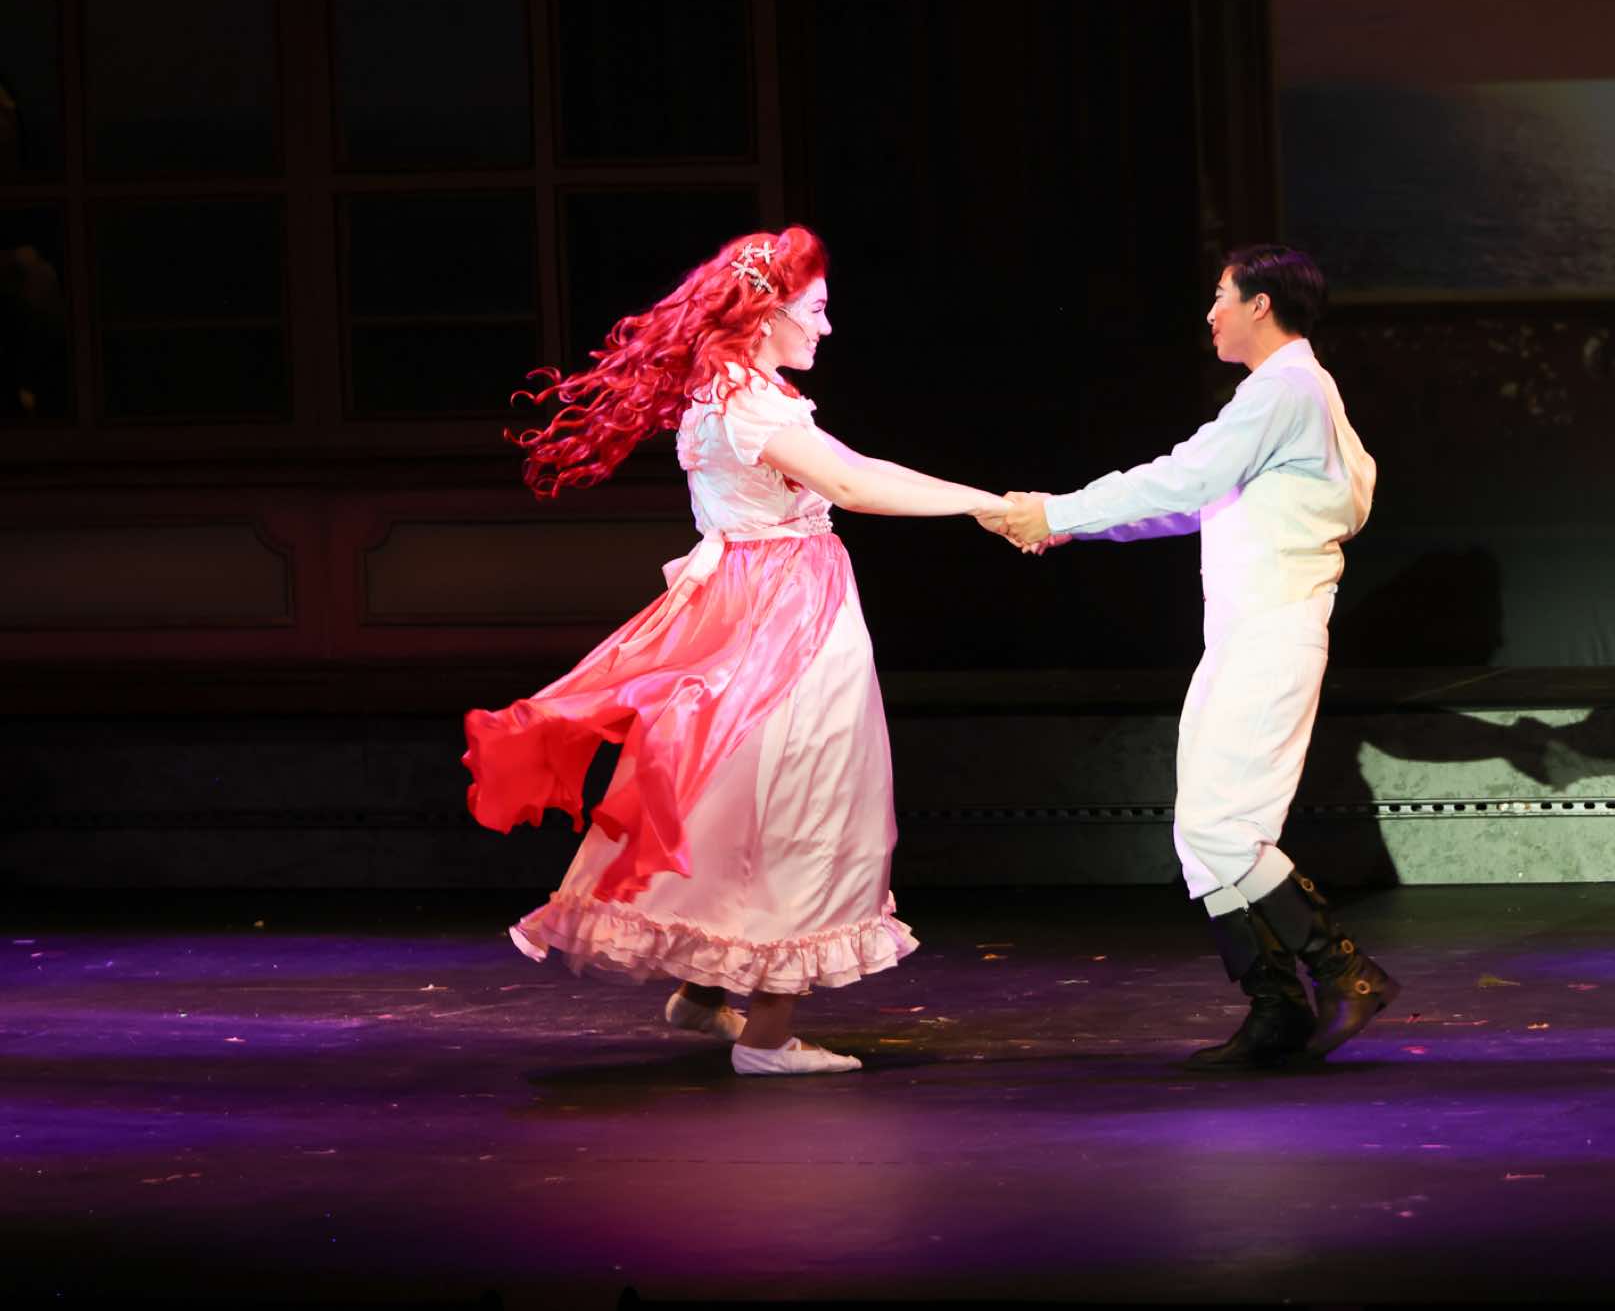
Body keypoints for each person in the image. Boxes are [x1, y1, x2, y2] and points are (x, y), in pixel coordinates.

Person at [465, 227, 1011, 1076]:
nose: (825, 327)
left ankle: (705, 991)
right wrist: (989, 506)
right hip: (787, 616)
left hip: (754, 606)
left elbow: (852, 465)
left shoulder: (729, 393)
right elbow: (854, 484)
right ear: (765, 316)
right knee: (805, 803)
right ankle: (767, 1038)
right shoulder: (752, 405)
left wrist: (981, 500)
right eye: (814, 311)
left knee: (733, 798)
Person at [986, 245, 1399, 1069]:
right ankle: (1277, 1009)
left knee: (1222, 826)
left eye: (1220, 296)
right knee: (1199, 834)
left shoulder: (1285, 388)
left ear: (1260, 303)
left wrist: (1057, 510)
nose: (1210, 313)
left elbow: (1181, 478)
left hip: (1274, 628)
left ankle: (1344, 970)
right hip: (1246, 632)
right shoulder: (1286, 394)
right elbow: (1189, 503)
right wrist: (1064, 524)